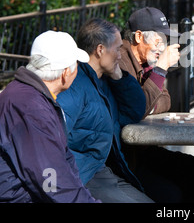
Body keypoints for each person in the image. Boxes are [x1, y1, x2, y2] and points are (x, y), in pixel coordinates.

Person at [0, 31, 98, 203]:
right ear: (65, 73)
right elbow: (52, 184)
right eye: (76, 64)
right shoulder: (31, 108)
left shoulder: (31, 97)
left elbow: (60, 170)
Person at [56, 18, 154, 203]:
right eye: (117, 49)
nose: (120, 55)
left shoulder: (105, 81)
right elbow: (52, 139)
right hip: (82, 176)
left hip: (102, 170)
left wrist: (119, 77)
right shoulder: (75, 85)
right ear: (100, 50)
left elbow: (134, 112)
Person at [118, 7, 194, 203]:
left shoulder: (146, 63)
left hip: (144, 152)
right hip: (126, 159)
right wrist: (161, 69)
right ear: (139, 37)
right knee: (171, 194)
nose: (162, 47)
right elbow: (139, 108)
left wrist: (150, 98)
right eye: (159, 40)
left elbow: (165, 100)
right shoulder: (120, 61)